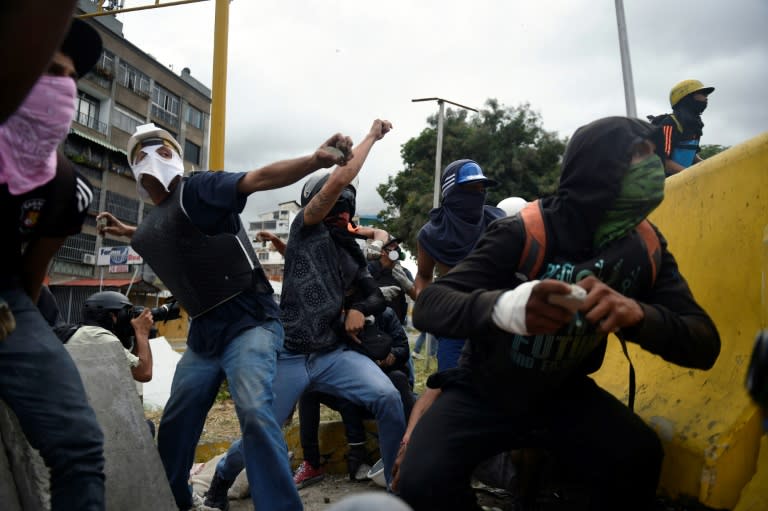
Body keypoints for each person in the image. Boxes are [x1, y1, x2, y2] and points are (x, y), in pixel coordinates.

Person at [396, 117, 721, 511]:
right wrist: (508, 307)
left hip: (563, 392)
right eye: (641, 154)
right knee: (420, 479)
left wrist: (638, 316)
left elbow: (704, 343)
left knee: (638, 454)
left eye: (655, 155)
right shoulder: (525, 231)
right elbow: (431, 304)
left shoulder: (646, 247)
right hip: (486, 389)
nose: (655, 167)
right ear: (598, 166)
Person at [96, 122, 354, 511]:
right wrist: (127, 230)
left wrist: (314, 160)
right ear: (133, 168)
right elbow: (168, 232)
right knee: (176, 423)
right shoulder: (150, 227)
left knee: (253, 409)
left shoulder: (199, 189)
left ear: (177, 157)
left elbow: (259, 177)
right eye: (142, 153)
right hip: (204, 336)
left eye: (163, 150)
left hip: (249, 322)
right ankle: (181, 502)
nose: (154, 159)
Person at [205, 119, 406, 509]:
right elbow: (334, 182)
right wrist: (372, 137)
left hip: (333, 356)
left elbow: (375, 297)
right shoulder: (306, 229)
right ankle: (222, 478)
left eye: (344, 207)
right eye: (335, 202)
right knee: (263, 431)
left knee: (387, 397)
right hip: (290, 355)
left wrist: (357, 309)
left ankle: (399, 486)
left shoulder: (350, 252)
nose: (340, 213)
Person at [0, 18, 106, 510]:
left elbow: (30, 272)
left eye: (66, 76)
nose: (57, 85)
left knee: (80, 441)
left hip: (6, 300)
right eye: (42, 69)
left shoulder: (66, 188)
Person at [414, 159, 505, 370]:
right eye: (470, 188)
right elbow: (424, 275)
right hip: (454, 325)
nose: (478, 194)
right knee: (452, 386)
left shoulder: (498, 224)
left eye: (481, 189)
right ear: (452, 192)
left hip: (495, 321)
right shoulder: (431, 234)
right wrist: (428, 307)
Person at [68, 291, 154, 383]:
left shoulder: (83, 333)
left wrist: (136, 335)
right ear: (112, 316)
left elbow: (130, 368)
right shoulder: (102, 338)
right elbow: (144, 373)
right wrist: (142, 332)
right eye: (125, 314)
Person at [648, 79, 715, 176]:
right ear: (687, 98)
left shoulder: (695, 126)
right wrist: (691, 175)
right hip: (664, 185)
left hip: (683, 181)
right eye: (703, 94)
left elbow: (690, 155)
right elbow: (663, 162)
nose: (706, 98)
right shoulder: (669, 124)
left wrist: (709, 167)